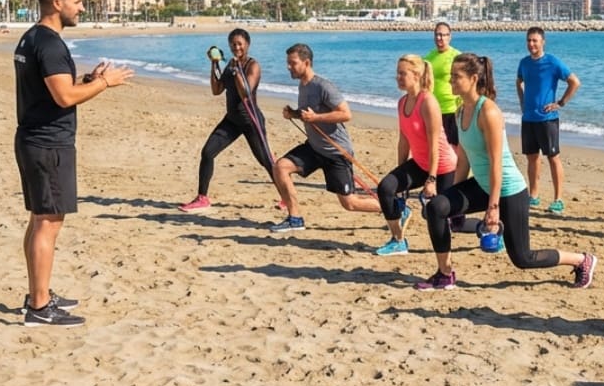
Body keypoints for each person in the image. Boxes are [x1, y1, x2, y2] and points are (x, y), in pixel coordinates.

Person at [13, 0, 134, 327]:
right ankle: (38, 307)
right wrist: (104, 84)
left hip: (35, 138)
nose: (82, 7)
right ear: (57, 3)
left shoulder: (31, 38)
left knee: (40, 219)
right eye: (77, 2)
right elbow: (64, 97)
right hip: (48, 143)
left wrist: (87, 80)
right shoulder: (49, 43)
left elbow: (55, 87)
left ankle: (39, 292)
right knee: (49, 222)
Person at [420, 53, 597, 290]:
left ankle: (581, 260)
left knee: (523, 258)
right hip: (483, 185)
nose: (450, 81)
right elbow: (463, 160)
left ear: (473, 79)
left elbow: (496, 164)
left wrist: (493, 209)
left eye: (456, 77)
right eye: (451, 76)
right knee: (437, 207)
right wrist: (453, 202)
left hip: (508, 189)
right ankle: (445, 273)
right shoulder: (461, 111)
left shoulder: (489, 112)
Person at [268, 43, 382, 232]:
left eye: (293, 63)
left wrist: (316, 118)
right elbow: (308, 114)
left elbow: (346, 114)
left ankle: (394, 209)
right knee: (280, 166)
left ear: (307, 62)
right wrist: (294, 114)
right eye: (288, 63)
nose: (289, 67)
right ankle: (295, 218)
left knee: (349, 203)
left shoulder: (323, 86)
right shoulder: (303, 86)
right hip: (314, 147)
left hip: (336, 151)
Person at [180, 29, 275, 213]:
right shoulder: (230, 65)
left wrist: (237, 69)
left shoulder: (252, 65)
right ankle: (202, 198)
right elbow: (216, 90)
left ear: (247, 44)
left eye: (240, 43)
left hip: (251, 120)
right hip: (232, 120)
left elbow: (245, 93)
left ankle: (286, 197)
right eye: (233, 44)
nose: (236, 47)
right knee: (207, 153)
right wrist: (214, 64)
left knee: (265, 160)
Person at [373, 54, 459, 256]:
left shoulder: (428, 102)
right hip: (420, 163)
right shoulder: (402, 102)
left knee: (449, 217)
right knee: (386, 188)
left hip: (443, 166)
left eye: (402, 74)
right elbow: (404, 140)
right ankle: (398, 240)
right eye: (397, 73)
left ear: (416, 75)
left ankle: (491, 228)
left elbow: (434, 145)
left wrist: (431, 179)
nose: (398, 78)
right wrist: (399, 179)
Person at [515, 26, 579, 215]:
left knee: (553, 157)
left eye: (535, 40)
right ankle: (533, 195)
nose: (531, 44)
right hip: (528, 118)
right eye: (529, 40)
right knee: (532, 157)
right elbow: (518, 81)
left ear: (543, 42)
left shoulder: (552, 62)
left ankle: (558, 199)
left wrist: (561, 102)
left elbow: (574, 82)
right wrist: (521, 100)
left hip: (547, 119)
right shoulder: (524, 63)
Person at [424, 21, 462, 147]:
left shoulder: (457, 56)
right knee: (435, 146)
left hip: (452, 109)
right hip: (433, 109)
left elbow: (464, 83)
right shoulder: (428, 57)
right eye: (437, 35)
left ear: (449, 37)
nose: (440, 38)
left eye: (443, 35)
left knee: (453, 148)